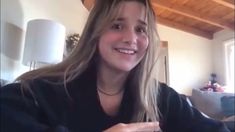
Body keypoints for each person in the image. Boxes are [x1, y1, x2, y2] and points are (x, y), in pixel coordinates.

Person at [0, 0, 230, 131]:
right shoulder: (43, 91)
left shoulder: (162, 97)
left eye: (141, 29)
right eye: (117, 25)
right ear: (95, 33)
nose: (131, 38)